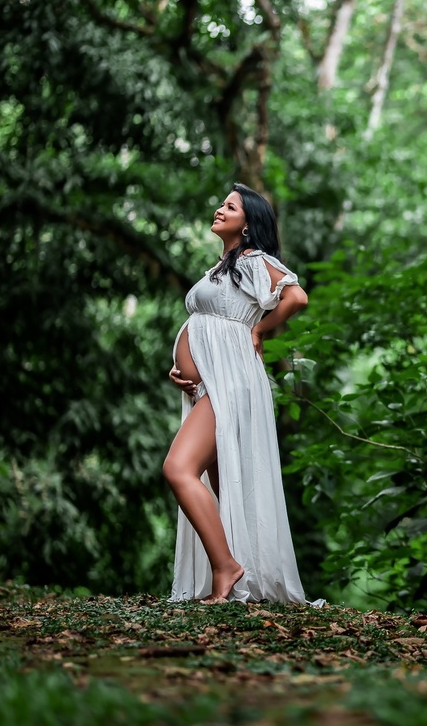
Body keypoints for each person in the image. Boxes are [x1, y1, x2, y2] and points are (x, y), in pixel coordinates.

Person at [163, 183, 311, 604]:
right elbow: (205, 327)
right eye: (222, 203)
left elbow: (296, 295)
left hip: (232, 383)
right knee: (224, 486)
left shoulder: (251, 260)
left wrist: (259, 329)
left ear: (248, 224)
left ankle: (227, 568)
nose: (219, 209)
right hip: (212, 382)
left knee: (178, 469)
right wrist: (182, 367)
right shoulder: (225, 267)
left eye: (230, 206)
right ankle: (240, 578)